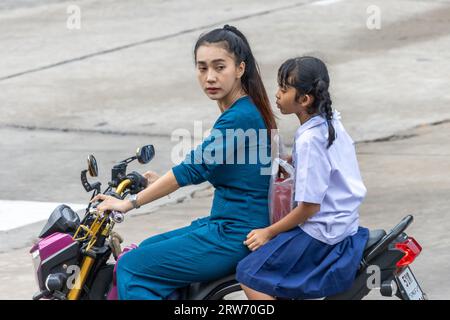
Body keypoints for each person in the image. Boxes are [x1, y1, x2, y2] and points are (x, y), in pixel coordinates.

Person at [91, 25, 277, 300]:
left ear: (240, 69)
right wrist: (157, 181)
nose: (210, 77)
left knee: (131, 267)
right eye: (202, 68)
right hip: (226, 223)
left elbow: (192, 169)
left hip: (236, 233)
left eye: (219, 67)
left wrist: (129, 203)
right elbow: (206, 166)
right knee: (147, 248)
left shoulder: (239, 117)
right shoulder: (242, 111)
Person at [236, 56, 369, 300]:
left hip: (322, 233)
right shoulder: (330, 123)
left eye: (284, 89)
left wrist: (269, 232)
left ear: (304, 99)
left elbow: (309, 207)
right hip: (344, 224)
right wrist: (291, 161)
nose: (276, 94)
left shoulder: (309, 140)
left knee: (249, 274)